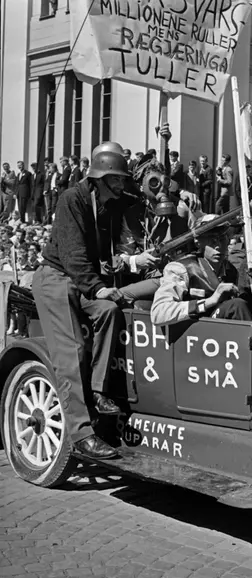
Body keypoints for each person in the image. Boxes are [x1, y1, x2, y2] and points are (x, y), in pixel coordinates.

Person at [31, 147, 132, 460]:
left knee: (110, 311)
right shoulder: (71, 198)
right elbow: (72, 254)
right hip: (55, 278)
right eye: (116, 180)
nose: (121, 185)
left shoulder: (106, 203)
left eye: (123, 180)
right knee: (71, 353)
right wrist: (98, 288)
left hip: (79, 280)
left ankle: (99, 392)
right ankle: (82, 435)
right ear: (100, 179)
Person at [151, 215, 252, 326]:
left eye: (222, 239)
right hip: (193, 329)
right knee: (236, 306)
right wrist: (209, 301)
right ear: (198, 243)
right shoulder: (182, 268)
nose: (218, 246)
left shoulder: (230, 270)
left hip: (218, 330)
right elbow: (158, 313)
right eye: (212, 241)